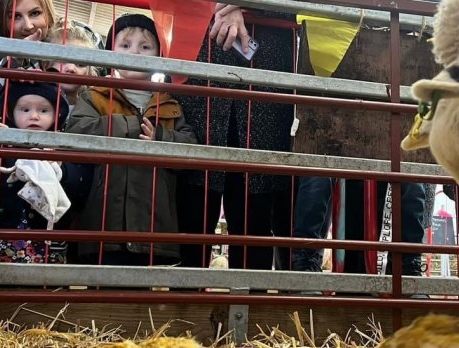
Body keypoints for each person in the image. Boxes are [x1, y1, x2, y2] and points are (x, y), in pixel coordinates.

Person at [64, 14, 197, 266]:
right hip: (102, 227)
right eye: (125, 46)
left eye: (145, 47)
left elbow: (190, 149)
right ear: (110, 52)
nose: (134, 52)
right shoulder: (94, 95)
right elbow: (77, 132)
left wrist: (159, 136)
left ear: (159, 56)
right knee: (99, 296)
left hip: (153, 230)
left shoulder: (170, 104)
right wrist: (132, 125)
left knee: (142, 300)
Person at [174, 4, 295, 270]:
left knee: (258, 196)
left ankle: (251, 300)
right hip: (202, 66)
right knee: (194, 186)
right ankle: (186, 300)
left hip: (267, 73)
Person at [0, 81, 76, 263]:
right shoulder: (0, 146)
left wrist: (62, 168)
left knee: (43, 289)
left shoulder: (64, 147)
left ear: (57, 115)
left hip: (49, 241)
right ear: (9, 112)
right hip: (2, 235)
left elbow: (78, 188)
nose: (34, 116)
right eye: (24, 110)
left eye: (44, 110)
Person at [0, 0, 57, 107]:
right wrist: (17, 55)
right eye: (16, 16)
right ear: (1, 21)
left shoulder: (65, 44)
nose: (28, 26)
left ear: (48, 13)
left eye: (35, 13)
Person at [43, 19, 104, 111]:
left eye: (80, 64)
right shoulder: (33, 98)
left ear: (89, 73)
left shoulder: (93, 108)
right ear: (46, 64)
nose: (71, 68)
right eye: (63, 60)